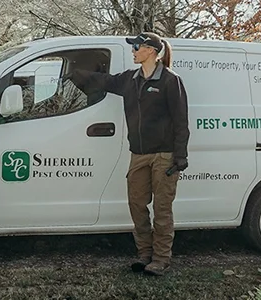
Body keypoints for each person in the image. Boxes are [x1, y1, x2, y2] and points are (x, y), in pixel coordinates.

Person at [67, 32, 189, 276]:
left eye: (137, 47)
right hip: (139, 155)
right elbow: (103, 81)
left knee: (162, 210)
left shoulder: (169, 80)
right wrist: (73, 73)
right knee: (137, 205)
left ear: (152, 51)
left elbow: (181, 120)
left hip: (164, 156)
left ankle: (161, 259)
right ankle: (145, 254)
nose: (133, 51)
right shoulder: (129, 80)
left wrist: (180, 156)